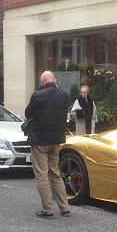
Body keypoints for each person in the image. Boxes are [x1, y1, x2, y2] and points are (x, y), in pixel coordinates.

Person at [25, 70, 71, 218]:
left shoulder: (37, 95)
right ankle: (65, 208)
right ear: (55, 80)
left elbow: (28, 113)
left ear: (42, 81)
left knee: (42, 175)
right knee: (55, 174)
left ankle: (48, 209)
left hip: (40, 140)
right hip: (56, 140)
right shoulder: (64, 95)